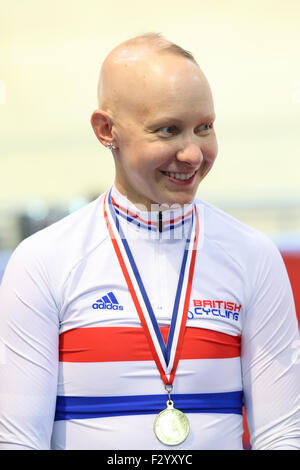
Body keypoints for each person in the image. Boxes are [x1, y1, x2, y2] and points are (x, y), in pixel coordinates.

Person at [0, 33, 299, 450]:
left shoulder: (253, 255)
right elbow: (17, 441)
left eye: (204, 127)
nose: (193, 154)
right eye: (168, 130)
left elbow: (283, 435)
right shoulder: (43, 260)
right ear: (107, 130)